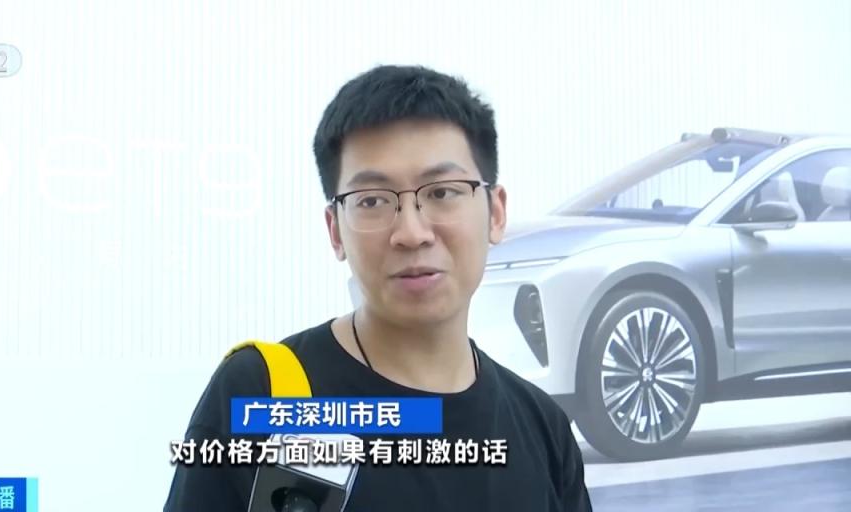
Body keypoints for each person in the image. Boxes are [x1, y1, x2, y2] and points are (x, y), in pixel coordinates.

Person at [164, 65, 592, 511]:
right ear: (335, 230)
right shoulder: (267, 395)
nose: (412, 232)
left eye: (442, 193)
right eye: (372, 200)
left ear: (496, 213)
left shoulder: (543, 428)